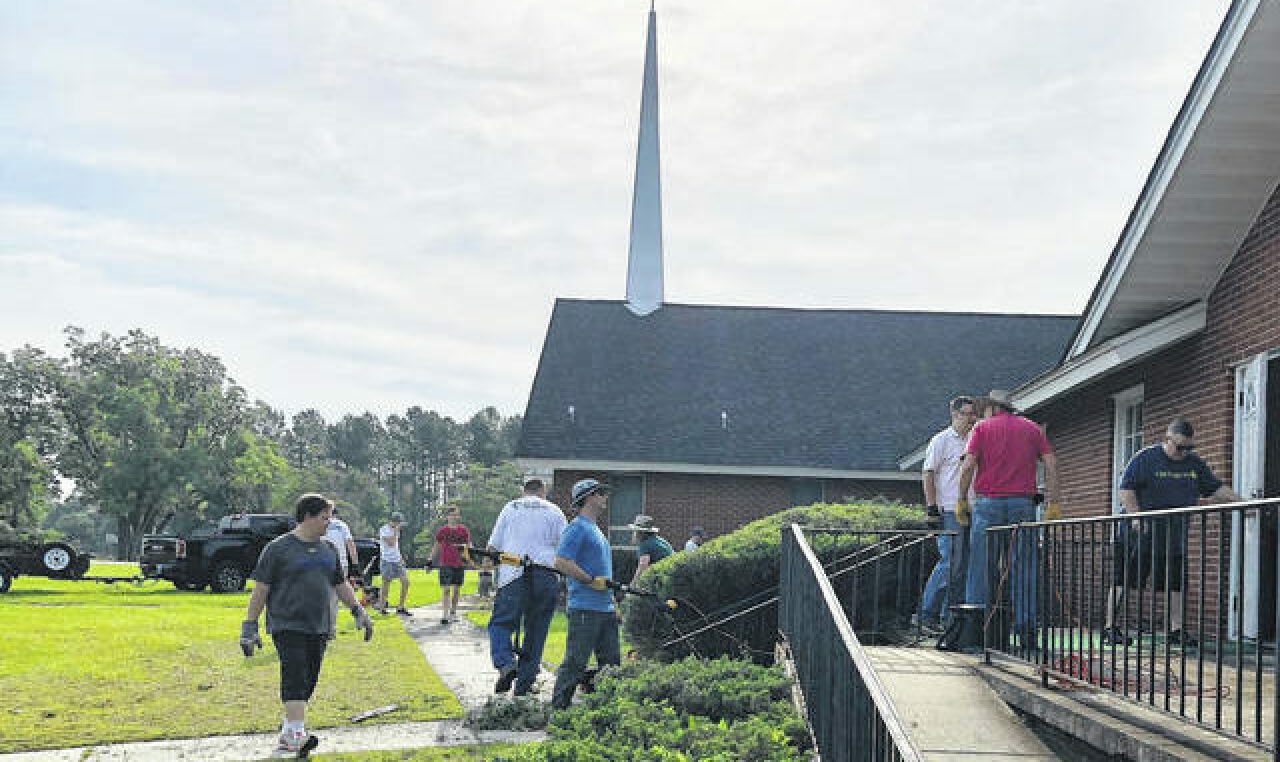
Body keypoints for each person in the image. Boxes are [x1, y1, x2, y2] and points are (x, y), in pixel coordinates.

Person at [239, 493, 374, 757]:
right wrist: (249, 626)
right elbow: (261, 589)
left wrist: (358, 611)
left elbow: (340, 584)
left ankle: (289, 730)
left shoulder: (329, 549)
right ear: (308, 517)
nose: (329, 523)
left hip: (320, 625)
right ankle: (296, 736)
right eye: (324, 518)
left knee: (309, 679)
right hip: (287, 624)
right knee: (296, 674)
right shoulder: (278, 549)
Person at [1102, 418, 1240, 647]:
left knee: (1176, 582)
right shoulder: (1145, 458)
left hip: (1174, 536)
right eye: (1179, 447)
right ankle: (1110, 627)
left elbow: (1215, 487)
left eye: (1188, 447)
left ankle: (1176, 630)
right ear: (1167, 440)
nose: (1183, 452)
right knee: (1123, 579)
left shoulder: (1194, 464)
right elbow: (1126, 489)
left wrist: (1244, 502)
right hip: (1139, 534)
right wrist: (1136, 515)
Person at [956, 393, 1060, 647]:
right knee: (1024, 567)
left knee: (981, 566)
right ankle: (1026, 632)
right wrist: (1052, 502)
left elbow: (968, 466)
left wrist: (961, 500)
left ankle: (978, 630)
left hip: (988, 504)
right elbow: (1051, 464)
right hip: (1022, 506)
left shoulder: (982, 428)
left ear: (992, 407)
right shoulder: (1031, 428)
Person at [488, 476, 567, 696]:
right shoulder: (554, 511)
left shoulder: (510, 508)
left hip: (513, 574)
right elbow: (565, 547)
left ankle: (505, 664)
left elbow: (492, 546)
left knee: (502, 623)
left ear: (524, 491)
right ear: (543, 491)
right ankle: (524, 684)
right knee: (536, 629)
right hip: (545, 574)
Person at [552, 478, 619, 710]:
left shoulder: (596, 530)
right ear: (588, 497)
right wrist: (589, 581)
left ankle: (607, 711)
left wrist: (613, 603)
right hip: (584, 608)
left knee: (611, 666)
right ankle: (559, 710)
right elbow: (561, 561)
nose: (605, 497)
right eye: (601, 493)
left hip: (605, 609)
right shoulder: (577, 527)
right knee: (575, 662)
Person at [917, 395, 977, 632]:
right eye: (967, 414)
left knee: (964, 566)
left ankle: (948, 617)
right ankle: (926, 614)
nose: (972, 419)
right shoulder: (941, 440)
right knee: (950, 562)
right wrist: (932, 508)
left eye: (974, 414)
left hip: (973, 509)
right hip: (950, 509)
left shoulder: (975, 440)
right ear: (955, 415)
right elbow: (928, 473)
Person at [323, 504, 361, 638]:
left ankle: (321, 628)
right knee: (333, 598)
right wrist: (355, 564)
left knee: (322, 596)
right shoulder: (342, 525)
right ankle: (330, 630)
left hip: (321, 563)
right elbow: (350, 544)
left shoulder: (319, 523)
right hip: (340, 563)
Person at [431, 506, 471, 625]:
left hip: (459, 563)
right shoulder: (442, 531)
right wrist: (430, 559)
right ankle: (445, 615)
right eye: (452, 515)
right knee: (446, 589)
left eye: (456, 515)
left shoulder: (463, 530)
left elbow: (468, 545)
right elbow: (436, 546)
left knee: (457, 589)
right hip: (445, 563)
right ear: (447, 516)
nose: (454, 517)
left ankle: (453, 612)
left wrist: (469, 557)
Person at [378, 511, 412, 616]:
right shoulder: (384, 529)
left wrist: (401, 557)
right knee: (386, 585)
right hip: (387, 560)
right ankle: (382, 608)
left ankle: (400, 607)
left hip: (397, 560)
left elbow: (396, 546)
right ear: (393, 521)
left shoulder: (396, 531)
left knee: (406, 582)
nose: (399, 525)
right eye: (398, 523)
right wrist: (396, 531)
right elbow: (391, 543)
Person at [628, 515, 673, 585]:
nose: (633, 534)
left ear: (640, 533)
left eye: (634, 531)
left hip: (664, 580)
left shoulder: (645, 544)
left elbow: (643, 566)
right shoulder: (659, 540)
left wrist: (633, 584)